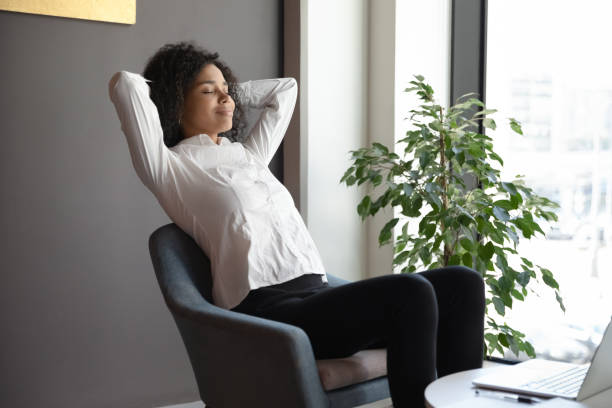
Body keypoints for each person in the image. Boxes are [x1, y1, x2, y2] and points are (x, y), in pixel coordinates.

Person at [108, 41, 485, 407]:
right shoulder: (171, 169)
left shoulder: (247, 156)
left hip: (318, 298)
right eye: (209, 91)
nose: (227, 99)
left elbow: (285, 90)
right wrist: (166, 88)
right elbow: (125, 85)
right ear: (175, 103)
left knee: (463, 283)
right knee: (411, 291)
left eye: (228, 90)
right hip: (272, 313)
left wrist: (223, 86)